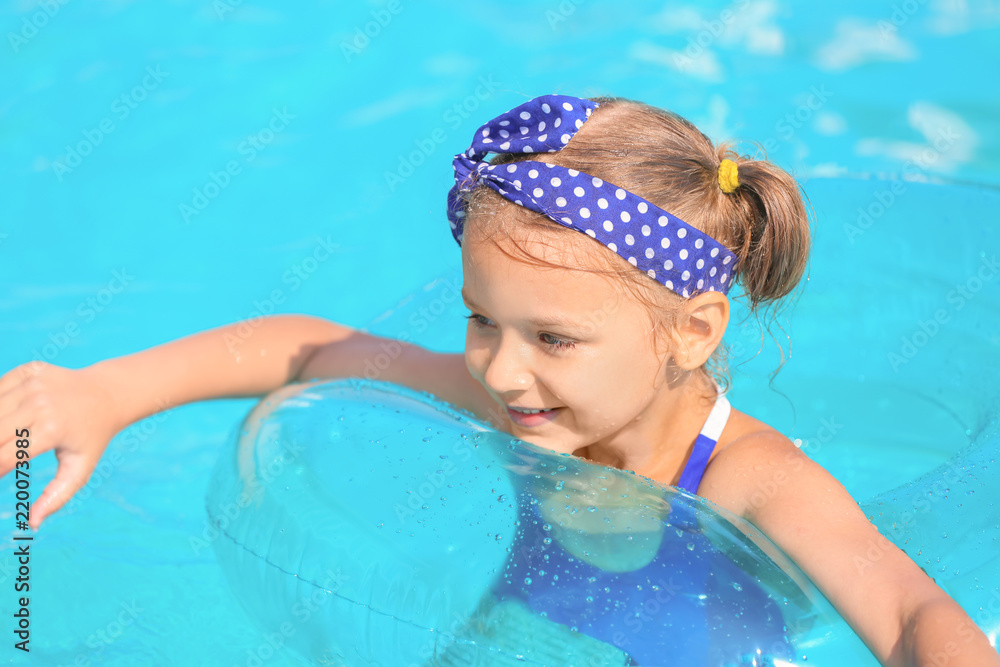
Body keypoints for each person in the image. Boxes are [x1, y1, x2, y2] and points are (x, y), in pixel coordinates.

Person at [0, 94, 995, 666]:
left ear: (689, 334)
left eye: (551, 338)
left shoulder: (751, 482)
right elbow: (306, 351)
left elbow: (910, 615)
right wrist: (107, 391)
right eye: (480, 319)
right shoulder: (514, 400)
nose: (499, 366)